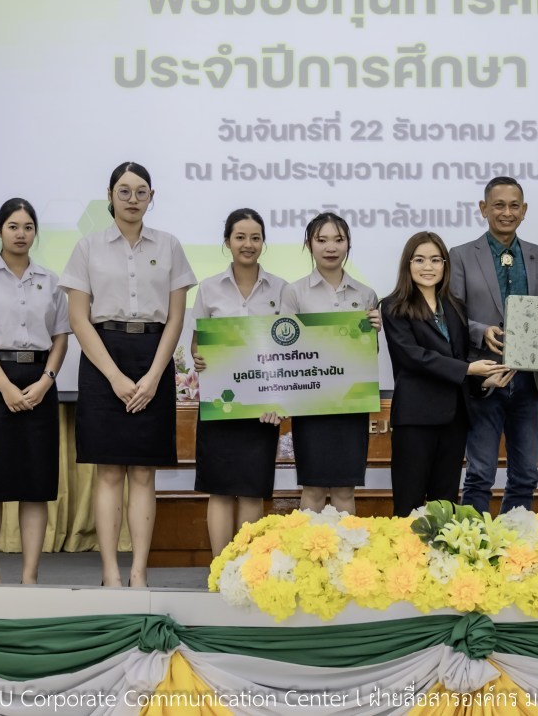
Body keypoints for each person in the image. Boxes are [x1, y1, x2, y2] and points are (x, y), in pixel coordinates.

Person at [62, 163, 195, 588]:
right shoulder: (88, 247)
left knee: (143, 473)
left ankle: (137, 572)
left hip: (153, 355)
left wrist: (155, 375)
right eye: (124, 191)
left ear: (152, 197)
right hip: (104, 356)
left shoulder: (170, 245)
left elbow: (176, 319)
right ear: (110, 195)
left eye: (141, 191)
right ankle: (110, 574)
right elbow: (79, 319)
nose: (132, 199)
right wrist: (114, 377)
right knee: (108, 472)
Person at [0, 198, 69, 584]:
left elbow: (60, 337)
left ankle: (30, 576)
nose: (21, 234)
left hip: (40, 381)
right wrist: (4, 386)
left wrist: (46, 380)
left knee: (35, 486)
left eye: (28, 227)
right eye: (13, 226)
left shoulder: (50, 280)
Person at [448, 176, 538, 514]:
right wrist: (480, 331)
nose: (506, 212)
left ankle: (515, 539)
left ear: (524, 210)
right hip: (484, 380)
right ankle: (475, 541)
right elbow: (451, 316)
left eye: (514, 206)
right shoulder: (461, 256)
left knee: (525, 474)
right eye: (498, 205)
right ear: (483, 209)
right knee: (479, 474)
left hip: (528, 381)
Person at [381, 232, 509, 517]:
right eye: (419, 260)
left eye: (435, 260)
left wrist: (483, 381)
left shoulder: (455, 306)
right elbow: (413, 357)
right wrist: (468, 369)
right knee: (409, 505)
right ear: (408, 264)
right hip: (416, 419)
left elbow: (460, 358)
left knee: (446, 507)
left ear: (445, 265)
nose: (428, 267)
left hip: (454, 419)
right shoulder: (393, 306)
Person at [189, 208, 286, 553]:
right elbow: (197, 343)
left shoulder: (281, 289)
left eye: (255, 237)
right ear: (227, 241)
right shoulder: (209, 288)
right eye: (240, 237)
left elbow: (290, 350)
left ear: (263, 242)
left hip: (261, 408)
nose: (248, 244)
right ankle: (220, 569)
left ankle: (247, 569)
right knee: (219, 490)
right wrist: (199, 357)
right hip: (220, 403)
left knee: (251, 490)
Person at [281, 212, 381, 514]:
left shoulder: (366, 294)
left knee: (345, 489)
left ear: (348, 243)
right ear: (309, 245)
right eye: (321, 240)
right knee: (312, 488)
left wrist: (374, 332)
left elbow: (369, 355)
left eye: (338, 239)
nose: (330, 247)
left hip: (350, 404)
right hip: (310, 403)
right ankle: (308, 546)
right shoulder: (294, 292)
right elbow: (285, 350)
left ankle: (347, 546)